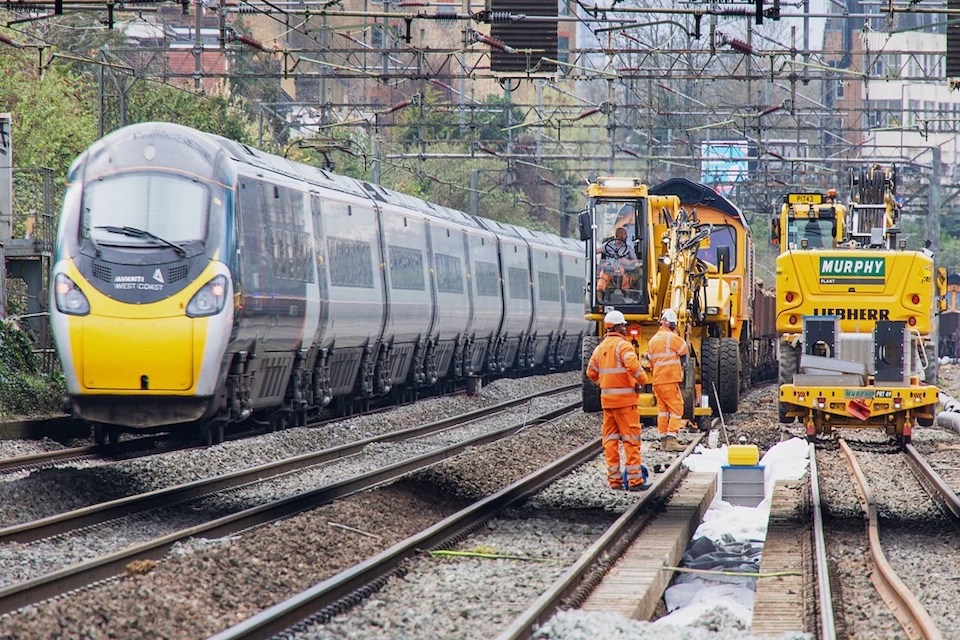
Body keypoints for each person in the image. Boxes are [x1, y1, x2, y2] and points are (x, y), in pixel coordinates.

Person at [586, 310, 651, 491]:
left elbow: (591, 373)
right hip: (625, 403)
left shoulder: (599, 349)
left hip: (608, 404)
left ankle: (614, 481)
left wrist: (604, 383)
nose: (625, 327)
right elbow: (633, 367)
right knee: (631, 441)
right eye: (623, 325)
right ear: (617, 327)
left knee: (611, 442)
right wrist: (641, 381)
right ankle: (635, 481)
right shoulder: (623, 346)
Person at [647, 308, 688, 452]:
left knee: (663, 411)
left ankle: (664, 440)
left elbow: (651, 362)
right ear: (671, 324)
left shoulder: (652, 340)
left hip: (657, 380)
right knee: (677, 408)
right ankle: (672, 438)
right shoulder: (671, 337)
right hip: (669, 379)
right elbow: (684, 349)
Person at [596, 227, 638, 298]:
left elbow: (636, 261)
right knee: (604, 273)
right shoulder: (608, 245)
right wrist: (601, 263)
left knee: (626, 275)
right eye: (622, 234)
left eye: (625, 234)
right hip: (610, 268)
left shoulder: (628, 248)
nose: (625, 236)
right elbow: (596, 251)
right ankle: (600, 292)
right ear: (617, 235)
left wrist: (628, 262)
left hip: (622, 269)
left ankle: (625, 292)